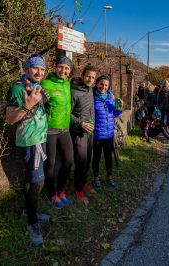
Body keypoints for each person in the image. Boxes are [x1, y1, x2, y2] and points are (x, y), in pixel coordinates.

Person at [5, 54, 49, 246]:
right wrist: (27, 105)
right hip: (31, 141)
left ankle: (28, 210)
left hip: (38, 138)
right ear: (26, 69)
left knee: (31, 179)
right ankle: (32, 223)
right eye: (35, 68)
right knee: (38, 181)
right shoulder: (18, 87)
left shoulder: (36, 86)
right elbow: (10, 118)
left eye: (42, 69)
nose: (39, 72)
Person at [41, 56, 74, 209]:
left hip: (65, 129)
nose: (63, 70)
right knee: (50, 164)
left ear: (70, 71)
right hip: (50, 130)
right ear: (55, 67)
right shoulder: (46, 83)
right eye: (61, 67)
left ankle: (61, 191)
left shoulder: (68, 84)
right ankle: (51, 193)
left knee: (68, 161)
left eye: (66, 68)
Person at [70, 65, 98, 206]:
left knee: (88, 159)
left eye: (93, 77)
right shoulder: (74, 91)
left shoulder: (91, 90)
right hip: (79, 132)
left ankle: (84, 182)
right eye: (88, 76)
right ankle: (78, 190)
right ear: (82, 75)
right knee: (80, 161)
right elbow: (67, 114)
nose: (90, 79)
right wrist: (81, 123)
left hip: (90, 131)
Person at [92, 75, 123, 191]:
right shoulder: (92, 97)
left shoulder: (111, 97)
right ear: (97, 83)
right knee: (96, 157)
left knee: (108, 157)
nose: (103, 87)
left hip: (109, 133)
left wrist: (119, 108)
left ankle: (109, 177)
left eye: (106, 85)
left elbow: (115, 114)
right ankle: (96, 178)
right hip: (97, 134)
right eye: (101, 84)